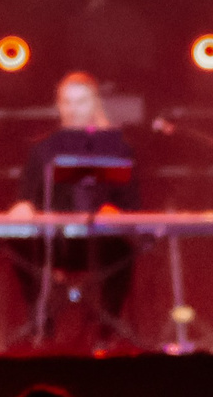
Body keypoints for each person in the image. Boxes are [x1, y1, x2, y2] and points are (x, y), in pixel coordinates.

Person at [9, 71, 139, 343]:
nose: (73, 109)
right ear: (58, 105)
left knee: (125, 249)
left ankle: (106, 330)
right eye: (67, 102)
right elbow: (25, 199)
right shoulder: (42, 150)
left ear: (94, 103)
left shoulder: (117, 149)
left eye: (80, 102)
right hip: (54, 243)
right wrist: (23, 208)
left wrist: (114, 212)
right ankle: (41, 322)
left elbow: (130, 203)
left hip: (102, 243)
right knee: (16, 244)